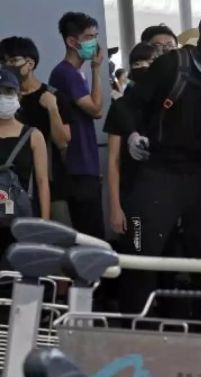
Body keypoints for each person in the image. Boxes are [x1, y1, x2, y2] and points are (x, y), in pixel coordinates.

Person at [120, 9, 201, 316]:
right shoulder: (171, 65)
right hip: (158, 172)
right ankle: (134, 329)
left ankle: (198, 327)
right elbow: (129, 104)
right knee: (140, 254)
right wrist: (131, 134)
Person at [0, 36, 72, 225]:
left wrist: (52, 109)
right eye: (3, 61)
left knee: (56, 241)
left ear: (30, 63)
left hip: (50, 182)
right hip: (8, 187)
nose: (8, 65)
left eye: (13, 60)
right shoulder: (4, 101)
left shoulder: (52, 96)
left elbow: (63, 142)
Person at [49, 11, 105, 238]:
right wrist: (96, 70)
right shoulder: (66, 73)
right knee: (91, 236)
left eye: (95, 36)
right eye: (89, 37)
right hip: (78, 166)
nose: (95, 42)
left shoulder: (73, 74)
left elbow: (94, 110)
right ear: (72, 41)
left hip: (84, 164)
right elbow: (96, 108)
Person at [105, 43, 157, 238]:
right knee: (137, 256)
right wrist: (115, 207)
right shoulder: (121, 107)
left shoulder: (171, 105)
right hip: (133, 195)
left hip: (167, 195)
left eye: (150, 62)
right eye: (137, 63)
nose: (143, 66)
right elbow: (113, 160)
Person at [0, 68, 51, 253]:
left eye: (7, 91)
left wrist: (44, 223)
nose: (2, 97)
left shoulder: (33, 135)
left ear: (18, 95)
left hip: (24, 221)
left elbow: (42, 181)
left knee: (23, 277)